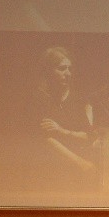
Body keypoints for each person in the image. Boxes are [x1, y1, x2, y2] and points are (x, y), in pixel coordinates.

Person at [27, 46, 97, 179]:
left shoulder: (77, 100)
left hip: (78, 172)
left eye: (69, 68)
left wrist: (61, 131)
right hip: (50, 170)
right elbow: (48, 139)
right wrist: (81, 162)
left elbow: (88, 136)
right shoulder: (39, 99)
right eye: (62, 68)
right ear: (48, 71)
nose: (68, 73)